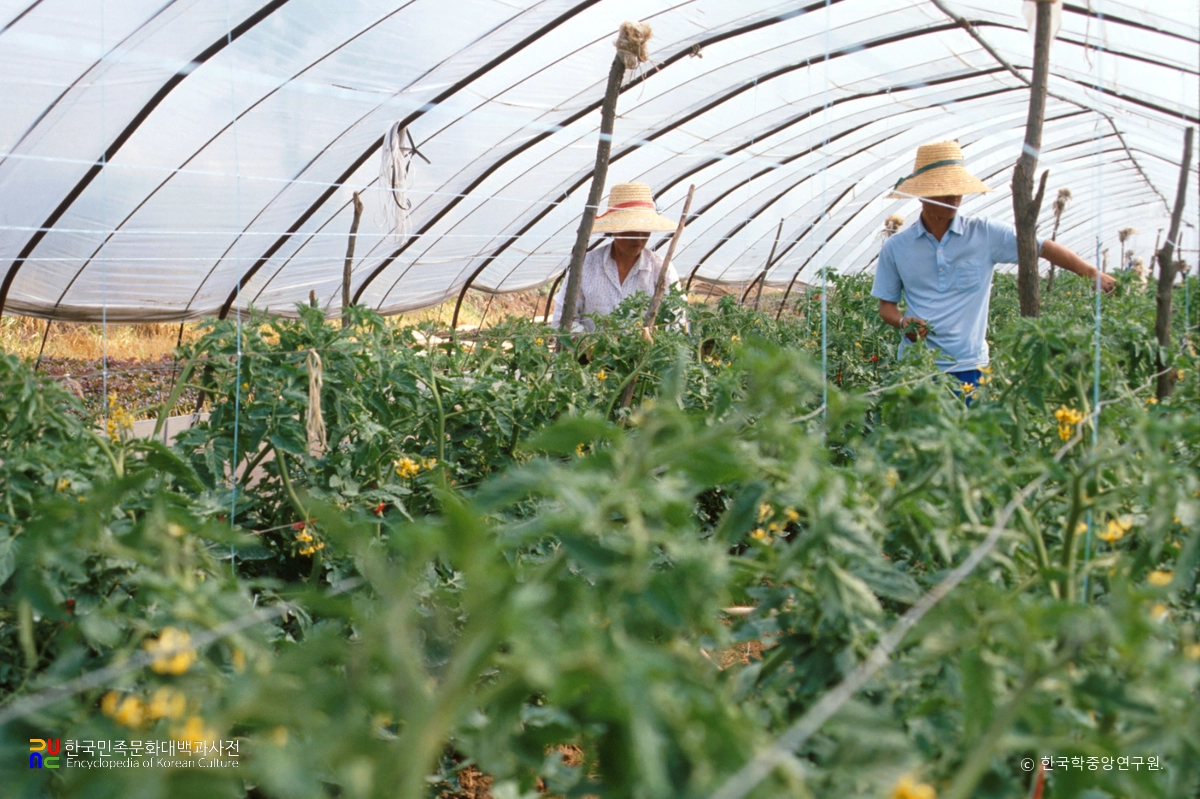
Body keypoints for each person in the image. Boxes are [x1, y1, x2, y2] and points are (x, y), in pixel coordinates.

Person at [872, 141, 1116, 391]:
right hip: (916, 367)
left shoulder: (985, 233)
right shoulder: (897, 247)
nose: (954, 196)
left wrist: (1090, 272)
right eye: (944, 189)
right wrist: (903, 323)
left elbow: (1041, 247)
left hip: (970, 366)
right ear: (921, 194)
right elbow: (886, 307)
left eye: (958, 188)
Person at [552, 182, 685, 332]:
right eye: (630, 229)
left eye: (644, 229)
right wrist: (590, 342)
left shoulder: (661, 269)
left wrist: (648, 339)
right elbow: (562, 319)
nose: (639, 237)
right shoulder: (586, 265)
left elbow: (677, 320)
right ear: (613, 229)